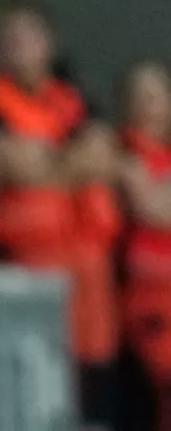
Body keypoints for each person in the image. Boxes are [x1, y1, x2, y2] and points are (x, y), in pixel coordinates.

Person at [0, 0, 121, 428]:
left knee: (92, 387)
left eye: (29, 34)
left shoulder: (77, 99)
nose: (19, 44)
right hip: (22, 267)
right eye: (10, 37)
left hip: (87, 274)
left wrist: (47, 165)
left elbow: (101, 158)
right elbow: (11, 164)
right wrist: (67, 165)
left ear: (50, 43)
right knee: (33, 384)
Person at [120, 59, 171, 430]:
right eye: (138, 97)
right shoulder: (123, 153)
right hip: (152, 296)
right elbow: (151, 208)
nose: (147, 105)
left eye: (155, 96)